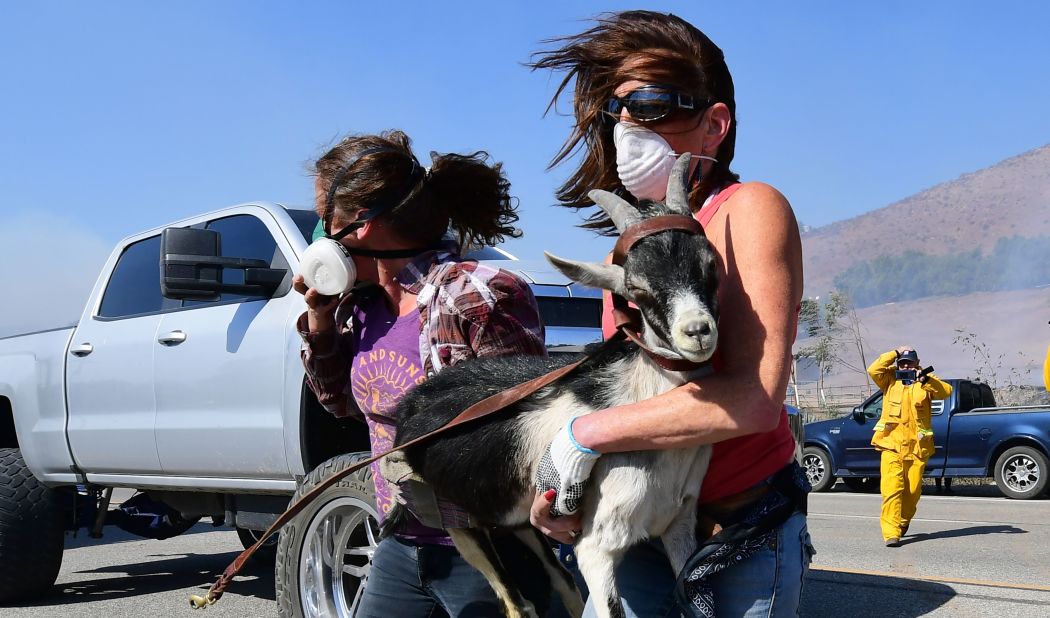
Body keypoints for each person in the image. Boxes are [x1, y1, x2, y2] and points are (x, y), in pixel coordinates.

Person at [528, 11, 812, 617]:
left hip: (734, 536)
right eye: (620, 108)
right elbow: (622, 396)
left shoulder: (748, 210)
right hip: (633, 535)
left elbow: (756, 400)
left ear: (715, 124)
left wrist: (580, 437)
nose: (629, 123)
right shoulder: (624, 251)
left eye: (653, 104)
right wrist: (559, 482)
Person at [293, 130, 551, 617]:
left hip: (485, 550)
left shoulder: (474, 294)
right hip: (401, 539)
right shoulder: (362, 305)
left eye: (324, 219)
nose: (320, 237)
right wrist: (321, 321)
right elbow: (338, 404)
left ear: (361, 225)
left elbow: (527, 428)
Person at [866, 346, 952, 547]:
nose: (905, 365)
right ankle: (891, 532)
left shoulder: (926, 381)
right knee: (891, 489)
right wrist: (895, 352)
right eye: (902, 362)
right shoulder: (888, 380)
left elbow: (946, 392)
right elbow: (873, 369)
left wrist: (926, 379)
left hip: (917, 448)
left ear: (917, 362)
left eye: (909, 362)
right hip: (891, 445)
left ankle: (902, 522)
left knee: (912, 491)